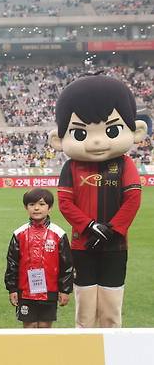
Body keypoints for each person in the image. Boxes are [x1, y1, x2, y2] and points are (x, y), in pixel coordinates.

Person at [49, 75, 147, 328]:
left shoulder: (124, 163)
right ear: (59, 139)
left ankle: (112, 353)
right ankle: (84, 353)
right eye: (81, 132)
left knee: (111, 307)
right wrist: (91, 227)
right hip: (83, 247)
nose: (96, 140)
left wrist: (112, 230)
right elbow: (66, 204)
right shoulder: (71, 166)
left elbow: (132, 200)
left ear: (135, 131)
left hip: (115, 246)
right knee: (85, 307)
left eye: (111, 130)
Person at [4, 188, 73, 328]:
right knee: (29, 328)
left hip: (50, 291)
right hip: (25, 292)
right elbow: (12, 263)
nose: (36, 208)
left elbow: (67, 264)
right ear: (26, 207)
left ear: (50, 208)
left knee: (45, 328)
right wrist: (12, 289)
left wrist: (65, 290)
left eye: (41, 204)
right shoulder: (19, 233)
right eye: (31, 204)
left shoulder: (58, 234)